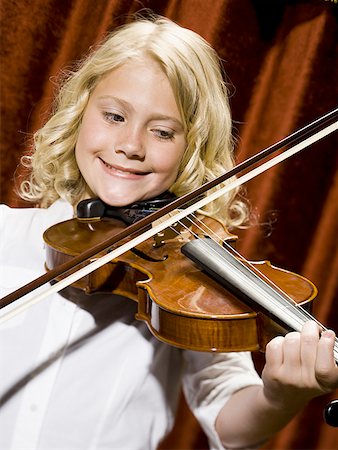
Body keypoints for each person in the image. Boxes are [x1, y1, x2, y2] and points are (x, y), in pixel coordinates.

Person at [0, 13, 337, 450]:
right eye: (115, 116)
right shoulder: (5, 234)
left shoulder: (190, 283)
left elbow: (228, 418)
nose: (132, 146)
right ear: (81, 109)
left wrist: (281, 395)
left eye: (162, 131)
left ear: (191, 147)